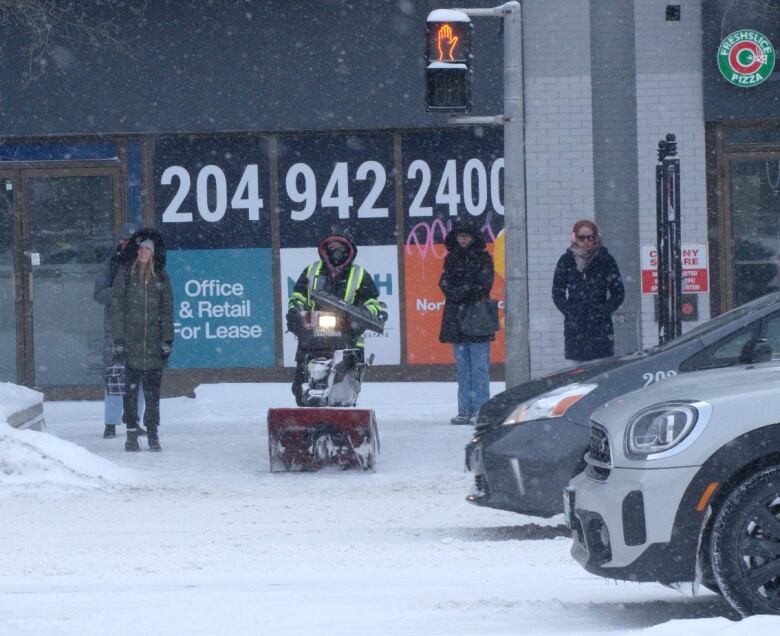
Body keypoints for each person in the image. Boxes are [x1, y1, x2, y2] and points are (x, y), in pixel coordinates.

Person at [286, 233, 381, 406]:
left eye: (340, 248)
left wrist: (363, 317)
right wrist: (295, 311)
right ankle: (304, 413)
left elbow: (372, 302)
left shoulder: (359, 274)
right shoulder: (312, 270)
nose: (335, 252)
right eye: (332, 248)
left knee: (343, 389)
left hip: (347, 336)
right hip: (312, 336)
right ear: (325, 250)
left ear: (349, 251)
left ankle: (342, 418)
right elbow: (298, 295)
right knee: (302, 386)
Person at [112, 228, 174, 452]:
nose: (143, 251)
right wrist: (118, 339)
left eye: (148, 248)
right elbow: (117, 309)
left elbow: (167, 311)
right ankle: (130, 434)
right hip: (131, 343)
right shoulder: (126, 274)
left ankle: (153, 434)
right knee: (130, 393)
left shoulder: (162, 276)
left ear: (154, 252)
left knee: (152, 394)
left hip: (154, 346)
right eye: (141, 248)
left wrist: (167, 339)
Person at [438, 219, 495, 425]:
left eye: (466, 236)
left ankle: (481, 410)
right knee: (463, 368)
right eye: (460, 236)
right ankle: (464, 410)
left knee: (479, 367)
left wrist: (459, 292)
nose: (462, 239)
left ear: (473, 238)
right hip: (457, 319)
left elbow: (485, 284)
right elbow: (444, 283)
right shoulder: (451, 259)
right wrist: (463, 290)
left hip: (477, 317)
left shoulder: (484, 258)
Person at [93, 222, 145, 439]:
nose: (130, 245)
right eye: (126, 241)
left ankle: (134, 420)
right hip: (115, 328)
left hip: (140, 327)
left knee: (140, 374)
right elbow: (98, 294)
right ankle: (111, 423)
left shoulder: (146, 263)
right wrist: (119, 292)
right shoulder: (111, 263)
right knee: (114, 376)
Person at [552, 219, 625, 363]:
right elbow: (557, 292)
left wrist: (603, 311)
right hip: (576, 328)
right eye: (582, 238)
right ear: (574, 238)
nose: (586, 241)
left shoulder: (606, 260)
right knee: (578, 375)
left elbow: (618, 293)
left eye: (590, 237)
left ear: (596, 238)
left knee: (601, 371)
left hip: (600, 329)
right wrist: (570, 311)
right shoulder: (566, 261)